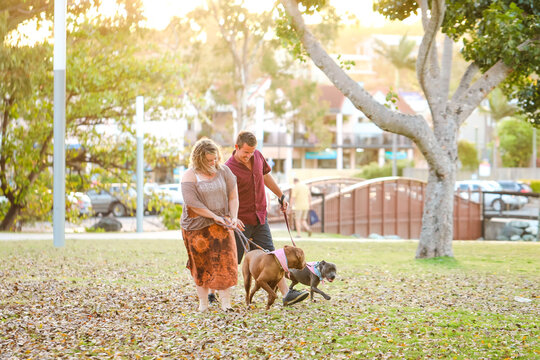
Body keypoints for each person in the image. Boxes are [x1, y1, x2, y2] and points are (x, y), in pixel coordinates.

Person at [225, 131, 309, 306]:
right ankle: (215, 293)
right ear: (236, 147)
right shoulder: (228, 168)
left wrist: (281, 196)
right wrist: (230, 217)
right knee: (232, 260)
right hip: (240, 220)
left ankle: (287, 295)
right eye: (245, 152)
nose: (249, 156)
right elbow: (225, 196)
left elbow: (265, 177)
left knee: (273, 257)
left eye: (252, 152)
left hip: (260, 216)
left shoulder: (257, 157)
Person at [180, 138, 242, 312]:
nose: (213, 162)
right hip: (196, 226)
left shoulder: (224, 171)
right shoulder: (190, 175)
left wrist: (234, 217)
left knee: (225, 261)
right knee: (201, 264)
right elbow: (192, 203)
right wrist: (214, 216)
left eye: (215, 158)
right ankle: (203, 303)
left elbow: (233, 197)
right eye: (208, 160)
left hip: (221, 223)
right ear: (199, 159)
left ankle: (226, 303)